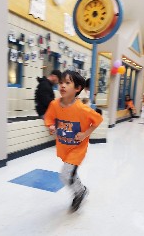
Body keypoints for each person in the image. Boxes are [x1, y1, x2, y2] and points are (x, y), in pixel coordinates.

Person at [44, 70, 103, 212]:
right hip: (64, 146)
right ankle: (81, 190)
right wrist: (51, 126)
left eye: (67, 83)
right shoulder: (54, 104)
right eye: (61, 82)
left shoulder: (82, 109)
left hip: (77, 148)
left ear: (77, 88)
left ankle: (79, 192)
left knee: (65, 175)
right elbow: (49, 118)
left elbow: (98, 120)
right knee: (70, 173)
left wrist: (85, 134)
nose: (62, 86)